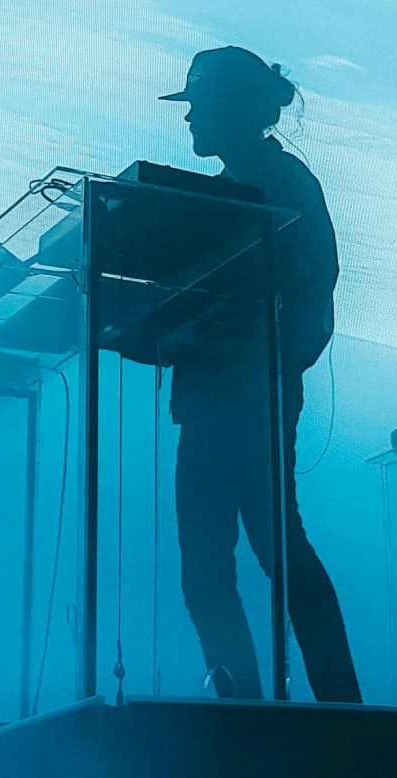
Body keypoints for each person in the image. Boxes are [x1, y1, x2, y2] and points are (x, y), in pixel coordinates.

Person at [157, 45, 361, 703]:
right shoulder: (235, 193)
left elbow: (312, 295)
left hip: (248, 398)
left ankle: (325, 708)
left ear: (233, 110)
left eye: (199, 108)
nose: (189, 122)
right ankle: (253, 708)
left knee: (273, 552)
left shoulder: (284, 186)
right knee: (215, 567)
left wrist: (263, 369)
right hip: (220, 398)